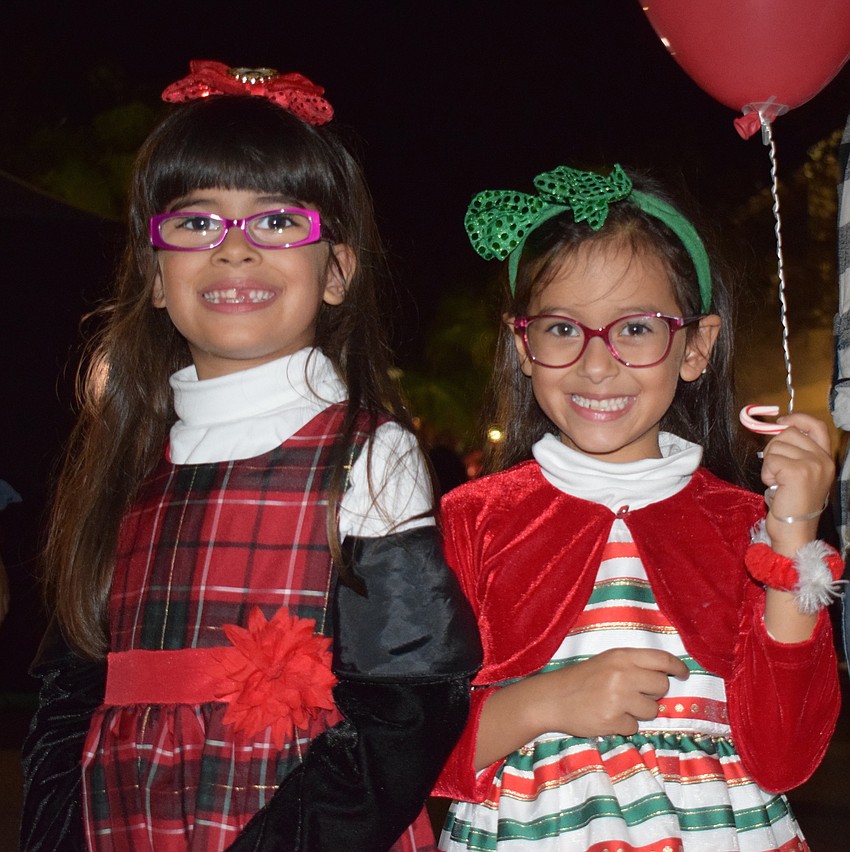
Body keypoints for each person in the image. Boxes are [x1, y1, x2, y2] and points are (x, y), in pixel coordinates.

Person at [20, 60, 481, 852]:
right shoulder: (125, 461)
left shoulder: (368, 456)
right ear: (154, 275)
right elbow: (70, 694)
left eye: (277, 222)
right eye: (196, 224)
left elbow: (409, 706)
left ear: (336, 271)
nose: (234, 251)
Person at [432, 164, 842, 850]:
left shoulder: (744, 524)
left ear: (696, 347)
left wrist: (794, 533)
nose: (597, 366)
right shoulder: (470, 520)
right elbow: (407, 752)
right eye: (562, 329)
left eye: (637, 329)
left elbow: (787, 754)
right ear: (522, 344)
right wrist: (540, 703)